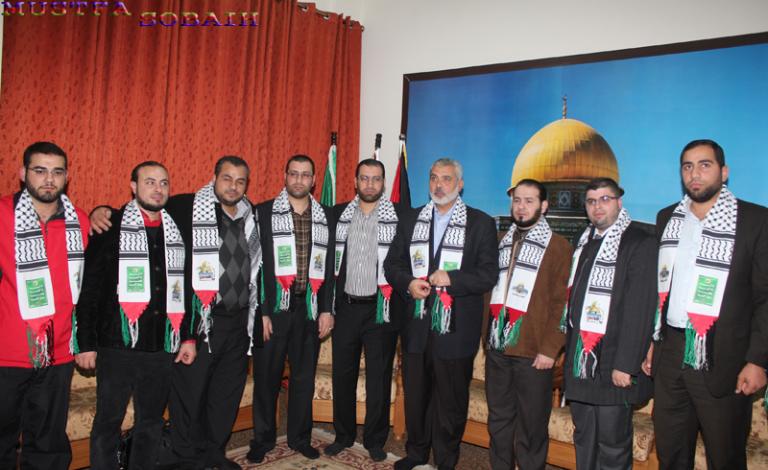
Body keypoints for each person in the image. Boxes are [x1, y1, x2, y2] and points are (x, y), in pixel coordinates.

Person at [89, 156, 262, 470]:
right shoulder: (187, 207)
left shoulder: (252, 216)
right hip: (202, 320)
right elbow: (143, 209)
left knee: (225, 395)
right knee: (190, 396)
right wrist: (101, 212)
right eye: (227, 178)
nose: (233, 186)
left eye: (240, 181)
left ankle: (214, 454)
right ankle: (185, 459)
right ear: (214, 178)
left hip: (239, 322)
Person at [645, 139, 768, 470]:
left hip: (723, 358)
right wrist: (654, 342)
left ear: (723, 172)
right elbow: (661, 289)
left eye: (705, 165)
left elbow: (765, 297)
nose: (694, 174)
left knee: (724, 457)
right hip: (671, 351)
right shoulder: (667, 218)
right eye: (687, 166)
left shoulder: (755, 220)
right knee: (671, 453)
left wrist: (758, 360)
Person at [75, 161, 196, 469]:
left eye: (164, 183)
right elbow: (89, 290)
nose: (158, 189)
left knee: (151, 422)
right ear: (133, 186)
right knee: (108, 422)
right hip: (117, 346)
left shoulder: (176, 230)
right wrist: (85, 343)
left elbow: (187, 287)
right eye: (150, 182)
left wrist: (187, 337)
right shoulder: (109, 227)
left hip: (161, 346)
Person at [384, 158, 498, 470]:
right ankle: (416, 453)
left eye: (446, 179)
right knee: (416, 395)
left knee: (450, 400)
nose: (438, 185)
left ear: (460, 185)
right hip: (416, 326)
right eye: (434, 178)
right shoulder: (411, 219)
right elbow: (392, 265)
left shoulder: (480, 223)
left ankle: (446, 460)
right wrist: (409, 283)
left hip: (456, 330)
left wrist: (453, 279)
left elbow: (488, 275)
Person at [0, 142, 90, 469]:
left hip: (59, 352)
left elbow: (89, 288)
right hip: (7, 353)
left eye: (57, 172)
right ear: (23, 173)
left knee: (49, 443)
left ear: (67, 177)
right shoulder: (2, 214)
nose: (49, 179)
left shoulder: (80, 221)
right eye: (40, 170)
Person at [561, 177, 656, 470]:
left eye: (605, 199)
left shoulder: (639, 242)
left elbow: (640, 309)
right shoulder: (583, 242)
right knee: (584, 437)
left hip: (614, 363)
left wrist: (626, 365)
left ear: (619, 202)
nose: (597, 207)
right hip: (581, 361)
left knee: (612, 444)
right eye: (591, 201)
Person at [247, 154, 335, 463]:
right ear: (284, 176)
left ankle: (300, 438)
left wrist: (326, 309)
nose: (299, 179)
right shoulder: (263, 213)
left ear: (314, 180)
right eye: (293, 174)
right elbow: (254, 266)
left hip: (308, 308)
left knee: (303, 378)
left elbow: (330, 269)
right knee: (266, 378)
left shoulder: (325, 217)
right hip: (274, 309)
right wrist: (261, 311)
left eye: (305, 174)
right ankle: (262, 439)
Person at [485, 179, 571, 470]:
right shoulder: (501, 241)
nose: (521, 207)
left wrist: (550, 349)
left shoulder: (558, 247)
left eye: (529, 201)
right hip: (498, 347)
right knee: (499, 420)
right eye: (517, 200)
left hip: (534, 353)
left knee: (532, 425)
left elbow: (562, 303)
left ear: (544, 206)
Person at [324, 158, 402, 462]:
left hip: (380, 310)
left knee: (378, 379)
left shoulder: (398, 218)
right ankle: (343, 436)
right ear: (355, 182)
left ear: (383, 183)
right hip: (345, 308)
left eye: (376, 179)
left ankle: (375, 439)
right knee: (342, 375)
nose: (370, 184)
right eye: (365, 178)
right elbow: (326, 262)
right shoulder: (337, 215)